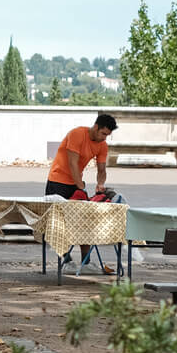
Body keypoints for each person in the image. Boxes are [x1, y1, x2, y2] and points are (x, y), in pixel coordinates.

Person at [47, 112, 118, 270]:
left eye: (107, 135)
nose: (104, 138)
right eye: (103, 133)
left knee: (84, 220)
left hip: (76, 183)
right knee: (59, 223)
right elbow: (72, 163)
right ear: (96, 127)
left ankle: (86, 261)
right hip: (57, 181)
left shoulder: (102, 145)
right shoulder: (77, 134)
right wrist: (81, 187)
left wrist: (100, 184)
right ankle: (66, 260)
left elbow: (101, 169)